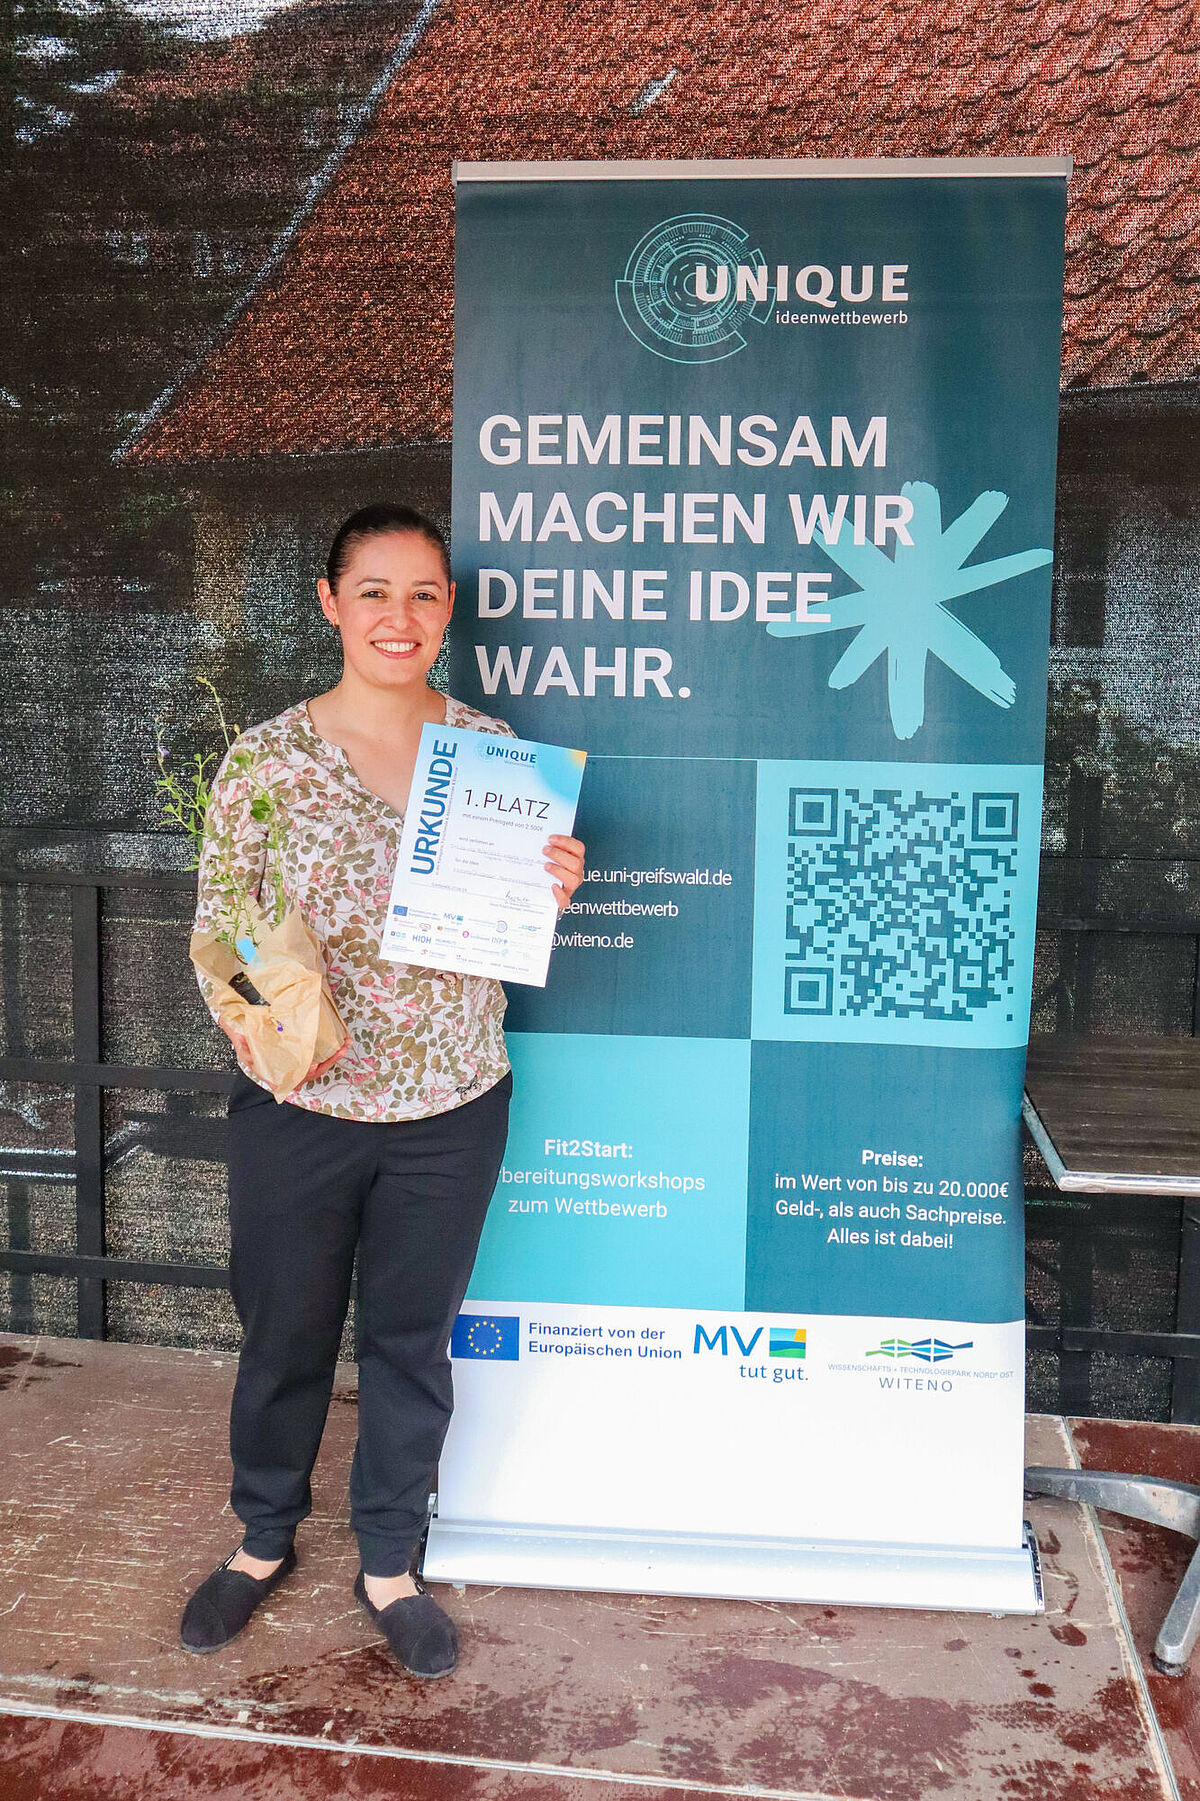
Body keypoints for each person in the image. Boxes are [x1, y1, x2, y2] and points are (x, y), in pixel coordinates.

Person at [179, 503, 585, 1678]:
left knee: (410, 1343)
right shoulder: (266, 761)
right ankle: (262, 1539)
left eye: (422, 594)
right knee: (285, 1335)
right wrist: (278, 1037)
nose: (398, 617)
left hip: (452, 1104)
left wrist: (550, 885)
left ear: (447, 610)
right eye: (373, 591)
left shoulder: (494, 756)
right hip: (301, 1108)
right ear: (330, 602)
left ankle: (391, 1563)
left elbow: (506, 921)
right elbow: (221, 934)